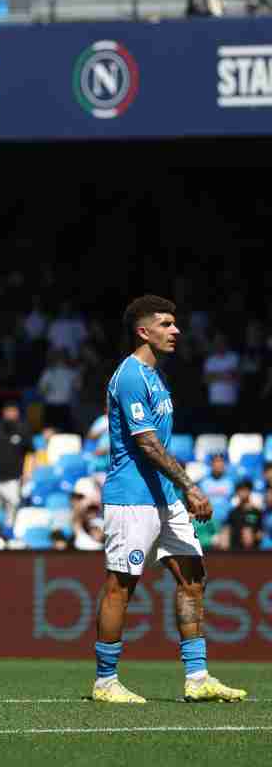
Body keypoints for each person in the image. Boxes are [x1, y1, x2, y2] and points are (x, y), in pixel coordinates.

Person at [92, 295, 245, 704]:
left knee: (193, 577)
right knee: (120, 586)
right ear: (144, 331)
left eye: (175, 324)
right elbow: (147, 444)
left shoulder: (157, 377)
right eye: (166, 324)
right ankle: (105, 681)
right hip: (132, 498)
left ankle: (197, 678)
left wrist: (178, 490)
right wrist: (190, 486)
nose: (175, 331)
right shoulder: (129, 376)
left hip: (163, 497)